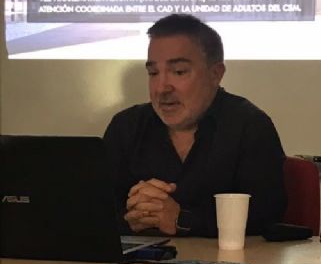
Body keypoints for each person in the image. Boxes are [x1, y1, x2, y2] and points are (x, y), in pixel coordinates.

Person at [103, 14, 287, 237]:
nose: (161, 88)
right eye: (153, 73)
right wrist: (130, 218)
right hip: (140, 260)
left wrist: (182, 219)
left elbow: (267, 219)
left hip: (225, 259)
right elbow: (92, 213)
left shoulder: (249, 126)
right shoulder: (126, 127)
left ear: (215, 74)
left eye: (179, 72)